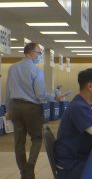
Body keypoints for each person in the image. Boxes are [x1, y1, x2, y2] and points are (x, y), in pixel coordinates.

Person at [5, 42, 63, 179]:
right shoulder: (36, 71)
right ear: (31, 53)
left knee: (19, 142)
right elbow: (40, 95)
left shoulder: (12, 68)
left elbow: (7, 92)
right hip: (31, 108)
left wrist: (8, 110)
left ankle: (23, 173)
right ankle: (30, 166)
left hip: (15, 107)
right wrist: (55, 97)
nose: (40, 56)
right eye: (39, 53)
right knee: (37, 138)